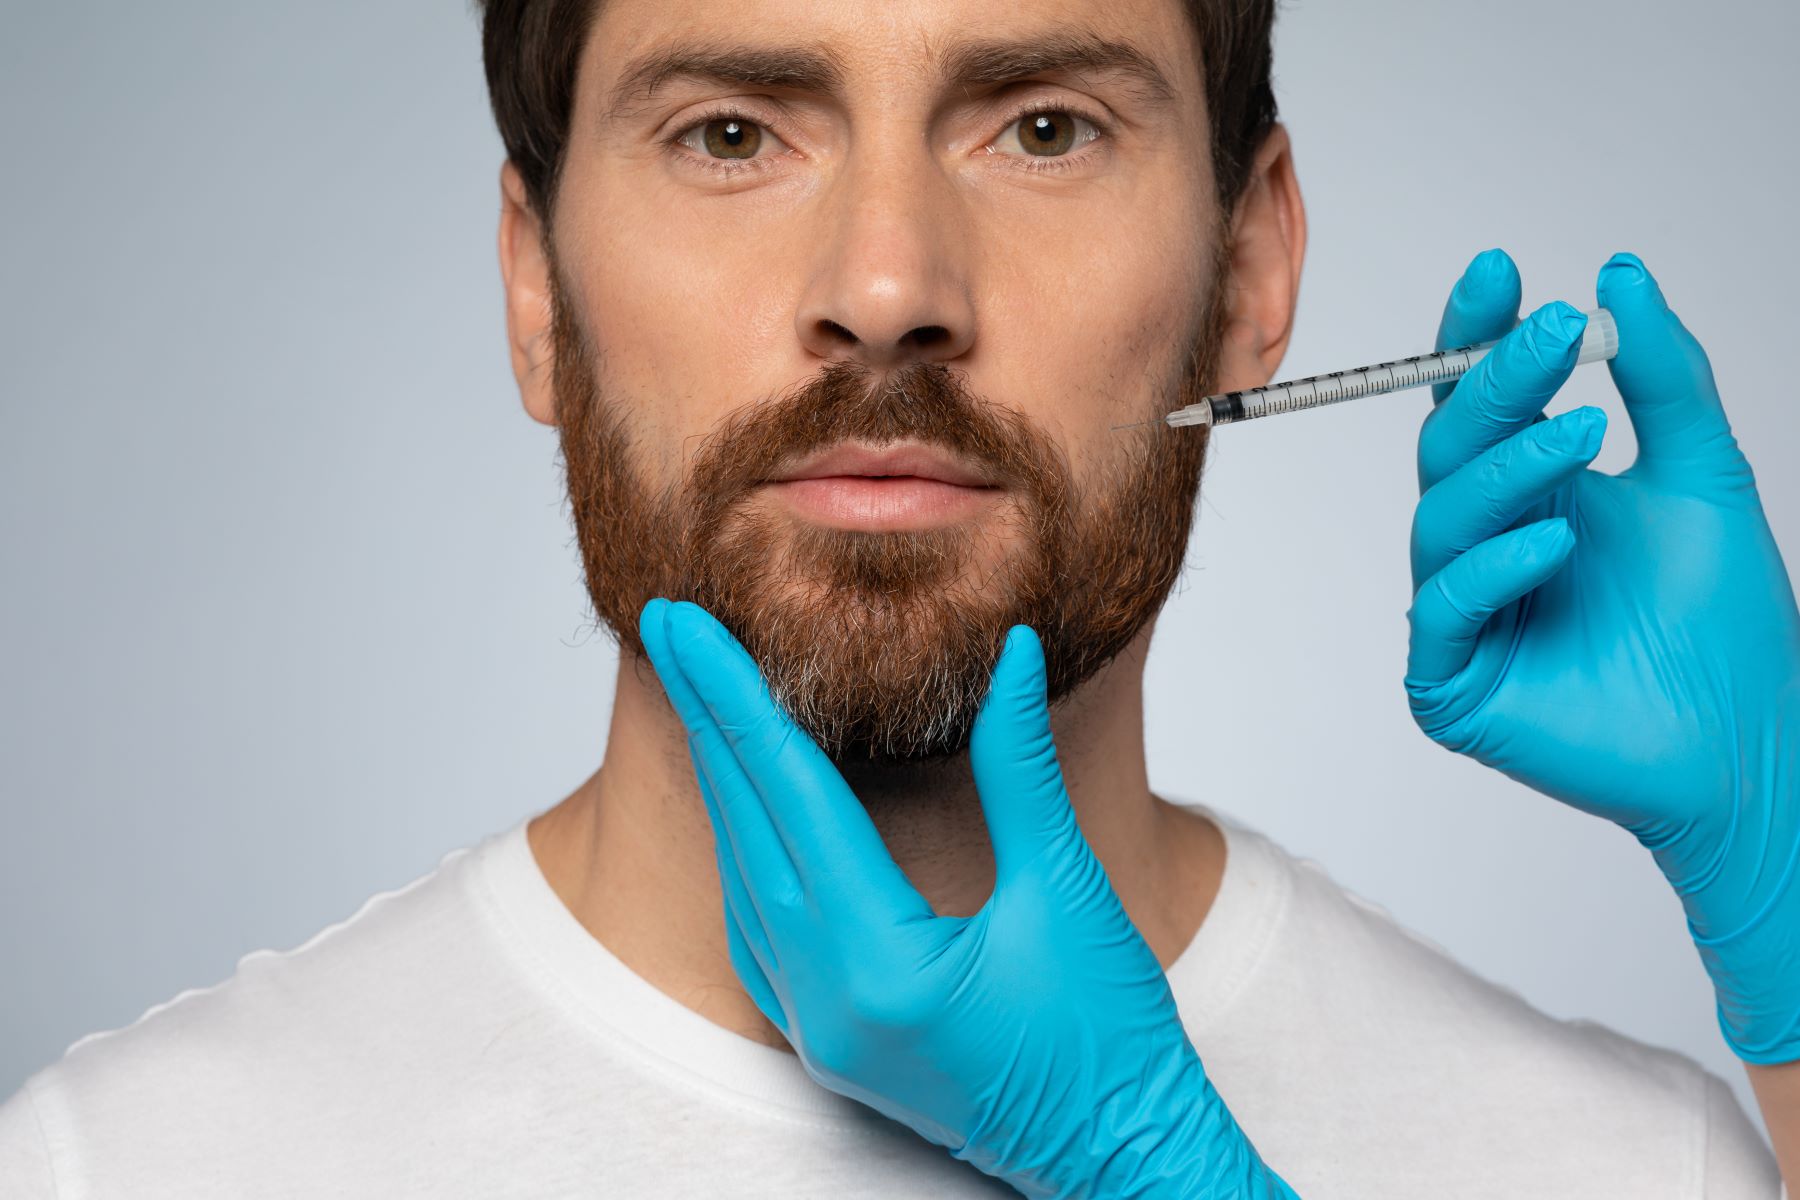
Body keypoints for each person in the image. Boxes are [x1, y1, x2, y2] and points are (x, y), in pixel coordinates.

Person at [3, 0, 1796, 1194]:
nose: (885, 283)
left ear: (1251, 268)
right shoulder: (124, 1171)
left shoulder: (1635, 1171)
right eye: (728, 132)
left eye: (1040, 127)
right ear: (535, 291)